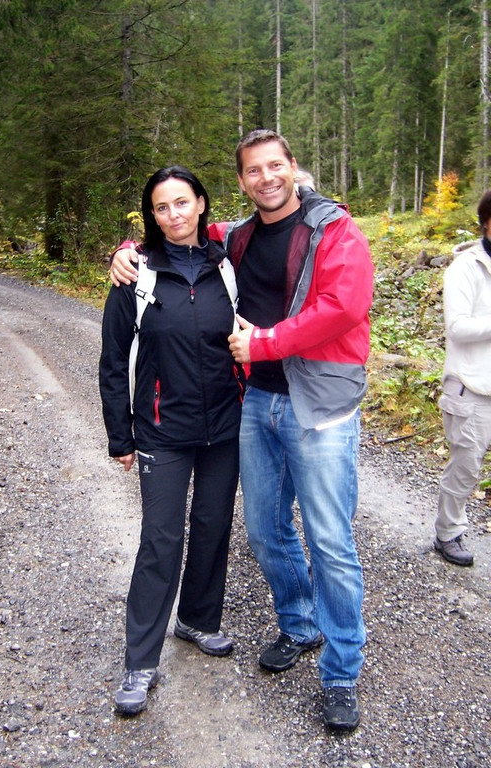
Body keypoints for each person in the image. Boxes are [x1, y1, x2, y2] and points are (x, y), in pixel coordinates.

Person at [111, 130, 374, 731]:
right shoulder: (237, 237)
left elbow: (344, 307)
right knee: (264, 529)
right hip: (257, 402)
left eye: (275, 166)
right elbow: (177, 231)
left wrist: (265, 343)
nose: (266, 178)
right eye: (253, 170)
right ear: (240, 182)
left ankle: (340, 672)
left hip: (321, 404)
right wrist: (127, 249)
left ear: (293, 167)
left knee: (330, 541)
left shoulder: (335, 230)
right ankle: (299, 624)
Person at [99, 166, 243, 716]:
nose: (174, 214)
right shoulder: (135, 273)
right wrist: (121, 435)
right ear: (152, 216)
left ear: (201, 204)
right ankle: (140, 660)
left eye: (182, 202)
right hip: (162, 429)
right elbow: (114, 361)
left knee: (212, 526)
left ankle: (198, 620)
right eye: (162, 207)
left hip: (224, 427)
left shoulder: (226, 265)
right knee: (160, 540)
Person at [433, 190, 491, 567]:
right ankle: (448, 532)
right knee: (467, 467)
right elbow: (457, 328)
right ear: (487, 223)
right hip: (471, 388)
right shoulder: (466, 268)